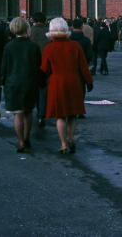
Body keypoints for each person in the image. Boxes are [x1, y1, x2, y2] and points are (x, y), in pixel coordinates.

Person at [41, 18, 94, 153]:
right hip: (74, 82)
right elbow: (83, 67)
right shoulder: (75, 45)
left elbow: (45, 70)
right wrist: (89, 82)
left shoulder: (49, 48)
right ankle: (71, 139)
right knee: (73, 113)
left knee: (60, 115)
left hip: (57, 83)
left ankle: (63, 144)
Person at [0, 18, 45, 152]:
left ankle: (20, 142)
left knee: (17, 114)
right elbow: (38, 67)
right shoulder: (33, 47)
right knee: (28, 111)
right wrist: (42, 83)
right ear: (27, 30)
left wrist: (2, 81)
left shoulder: (8, 46)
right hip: (30, 83)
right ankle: (27, 137)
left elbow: (4, 67)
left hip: (13, 83)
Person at [29, 11, 51, 127]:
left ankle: (39, 112)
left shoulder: (31, 31)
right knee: (45, 89)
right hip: (49, 63)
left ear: (33, 20)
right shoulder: (50, 30)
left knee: (37, 89)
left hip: (35, 64)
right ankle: (43, 113)